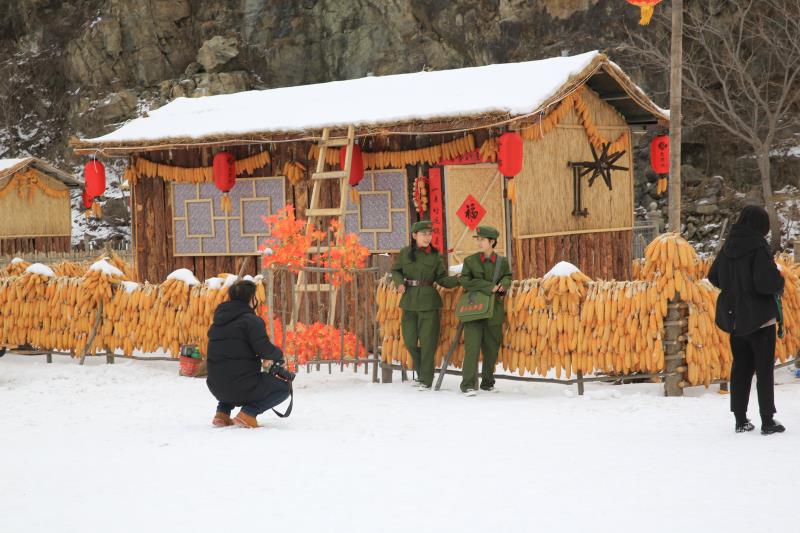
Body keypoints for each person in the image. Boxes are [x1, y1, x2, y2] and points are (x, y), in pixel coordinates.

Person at [709, 205, 785, 435]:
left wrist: (734, 287)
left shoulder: (729, 245)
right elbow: (766, 283)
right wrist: (779, 281)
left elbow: (714, 276)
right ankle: (767, 420)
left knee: (740, 367)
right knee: (764, 370)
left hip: (735, 319)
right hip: (760, 319)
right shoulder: (758, 247)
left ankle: (740, 419)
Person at [206, 280, 289, 428]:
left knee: (230, 372)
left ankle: (222, 413)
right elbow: (264, 349)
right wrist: (279, 355)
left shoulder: (217, 322)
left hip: (216, 387)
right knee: (283, 388)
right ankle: (249, 413)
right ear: (252, 299)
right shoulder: (251, 321)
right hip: (240, 387)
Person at [391, 220, 458, 390]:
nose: (428, 237)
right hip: (409, 300)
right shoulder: (405, 253)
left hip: (429, 301)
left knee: (428, 343)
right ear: (414, 236)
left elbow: (442, 279)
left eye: (429, 234)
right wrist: (399, 282)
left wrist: (458, 280)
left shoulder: (435, 256)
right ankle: (422, 373)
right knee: (410, 341)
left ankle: (425, 379)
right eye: (424, 234)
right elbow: (396, 270)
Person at [459, 225, 512, 396]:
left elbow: (508, 276)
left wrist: (503, 285)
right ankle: (467, 385)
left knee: (491, 349)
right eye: (478, 239)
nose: (479, 243)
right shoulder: (470, 261)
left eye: (482, 240)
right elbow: (466, 281)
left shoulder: (502, 262)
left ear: (492, 242)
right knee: (472, 348)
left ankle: (488, 383)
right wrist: (489, 287)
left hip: (493, 310)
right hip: (473, 310)